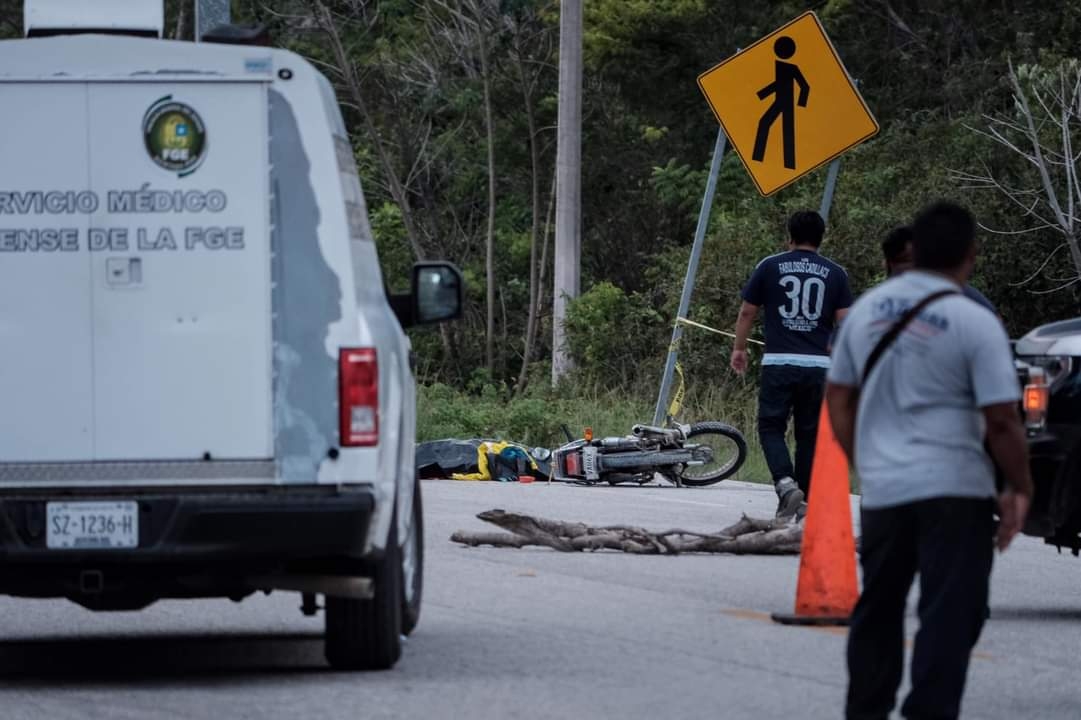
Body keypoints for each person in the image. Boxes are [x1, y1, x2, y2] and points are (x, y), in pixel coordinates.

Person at [826, 201, 1032, 720]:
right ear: (970, 254)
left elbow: (839, 400)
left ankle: (866, 711)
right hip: (956, 490)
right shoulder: (974, 319)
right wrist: (1019, 487)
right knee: (950, 611)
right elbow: (1003, 421)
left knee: (880, 606)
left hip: (885, 490)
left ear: (912, 250)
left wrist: (864, 462)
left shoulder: (867, 312)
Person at [731, 210, 853, 519]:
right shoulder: (836, 273)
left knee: (771, 425)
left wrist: (739, 348)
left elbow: (747, 312)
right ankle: (805, 504)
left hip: (779, 361)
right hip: (819, 366)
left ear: (790, 236)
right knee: (809, 434)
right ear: (821, 238)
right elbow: (846, 323)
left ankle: (785, 485)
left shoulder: (770, 266)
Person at [882, 224, 997, 313]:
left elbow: (993, 321)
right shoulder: (880, 302)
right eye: (899, 261)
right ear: (888, 264)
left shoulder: (958, 294)